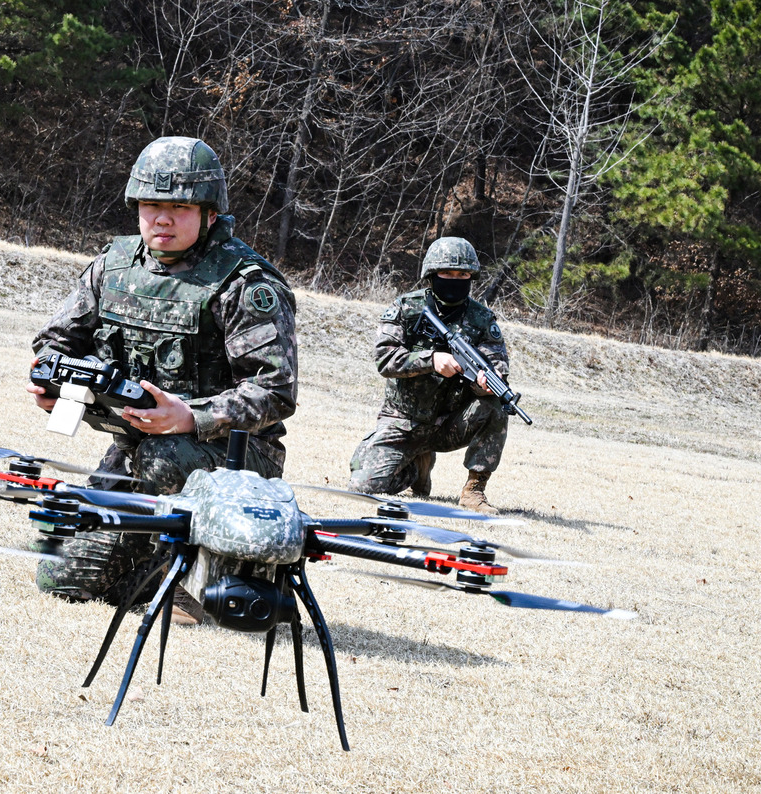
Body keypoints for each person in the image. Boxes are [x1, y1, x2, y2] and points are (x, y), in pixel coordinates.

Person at [28, 136, 299, 616]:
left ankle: (191, 579)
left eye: (179, 207)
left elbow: (274, 391)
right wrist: (58, 383)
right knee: (61, 577)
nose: (162, 219)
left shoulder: (245, 283)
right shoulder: (113, 267)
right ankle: (147, 574)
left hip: (235, 458)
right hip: (137, 448)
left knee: (165, 452)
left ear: (210, 213)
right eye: (151, 205)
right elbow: (55, 341)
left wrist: (189, 416)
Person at [348, 236, 509, 514]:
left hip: (450, 424)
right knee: (363, 486)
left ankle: (474, 491)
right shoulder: (405, 309)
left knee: (496, 407)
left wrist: (487, 384)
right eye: (447, 273)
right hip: (403, 421)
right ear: (432, 275)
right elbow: (385, 359)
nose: (455, 279)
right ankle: (416, 466)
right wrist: (431, 360)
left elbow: (496, 365)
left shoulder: (482, 320)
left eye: (463, 274)